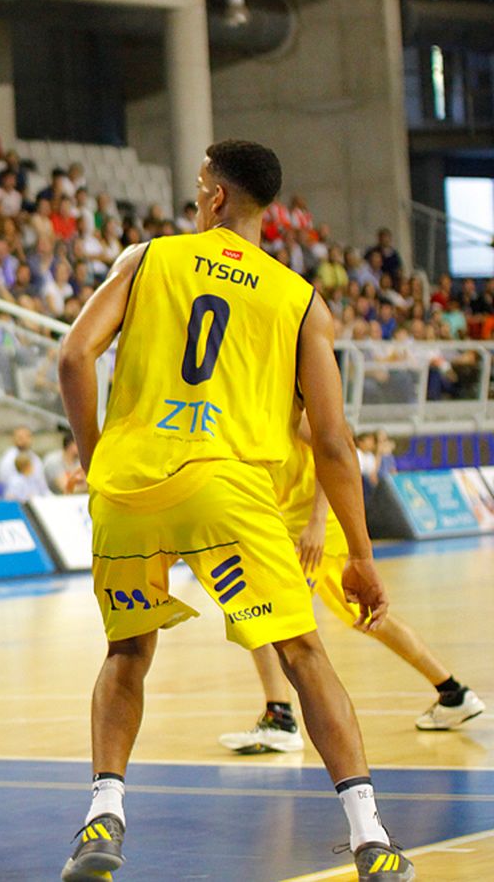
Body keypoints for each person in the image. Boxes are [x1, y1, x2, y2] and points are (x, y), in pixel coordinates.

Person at [55, 140, 412, 881]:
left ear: (215, 198)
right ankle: (369, 837)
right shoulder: (297, 299)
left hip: (130, 490)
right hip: (229, 491)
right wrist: (362, 557)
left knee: (127, 656)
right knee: (304, 655)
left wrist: (97, 458)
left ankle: (102, 817)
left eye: (197, 189)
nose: (195, 200)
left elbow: (71, 357)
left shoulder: (146, 258)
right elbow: (335, 443)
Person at [220, 425, 484, 755]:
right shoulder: (237, 404)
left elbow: (330, 450)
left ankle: (280, 718)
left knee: (261, 611)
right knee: (366, 615)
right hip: (290, 525)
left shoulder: (289, 403)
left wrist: (316, 522)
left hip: (312, 532)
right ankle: (452, 692)